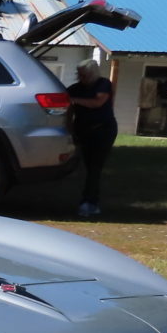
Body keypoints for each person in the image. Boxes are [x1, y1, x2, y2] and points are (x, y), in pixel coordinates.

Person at [66, 59, 118, 217]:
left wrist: (74, 100)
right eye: (80, 75)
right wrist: (70, 129)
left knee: (95, 166)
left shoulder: (103, 84)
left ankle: (90, 202)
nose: (82, 78)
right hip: (83, 130)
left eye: (85, 75)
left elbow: (97, 102)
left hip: (103, 130)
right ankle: (89, 200)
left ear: (93, 73)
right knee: (87, 166)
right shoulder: (74, 88)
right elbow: (68, 110)